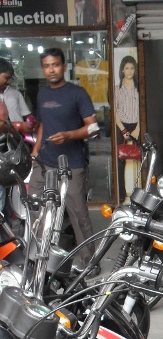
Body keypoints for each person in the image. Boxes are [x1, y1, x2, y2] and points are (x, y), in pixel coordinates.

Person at [30, 48, 99, 269]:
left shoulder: (77, 93)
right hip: (44, 162)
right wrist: (36, 151)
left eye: (55, 65)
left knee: (78, 215)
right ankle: (41, 259)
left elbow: (94, 127)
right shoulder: (42, 94)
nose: (51, 70)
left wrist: (70, 135)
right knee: (36, 212)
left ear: (64, 66)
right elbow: (42, 125)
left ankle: (91, 262)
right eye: (47, 66)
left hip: (73, 164)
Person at [0, 58, 37, 215]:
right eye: (6, 77)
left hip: (12, 146)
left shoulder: (15, 94)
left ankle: (7, 234)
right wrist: (13, 127)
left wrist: (27, 126)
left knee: (9, 190)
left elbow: (28, 117)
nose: (8, 81)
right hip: (4, 144)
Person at [114, 55, 139, 203]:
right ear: (122, 70)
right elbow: (116, 112)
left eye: (132, 68)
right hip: (121, 125)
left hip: (136, 125)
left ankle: (140, 193)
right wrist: (123, 131)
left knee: (141, 157)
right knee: (120, 160)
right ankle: (122, 194)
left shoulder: (138, 88)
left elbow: (142, 110)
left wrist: (138, 129)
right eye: (126, 68)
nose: (129, 71)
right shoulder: (118, 89)